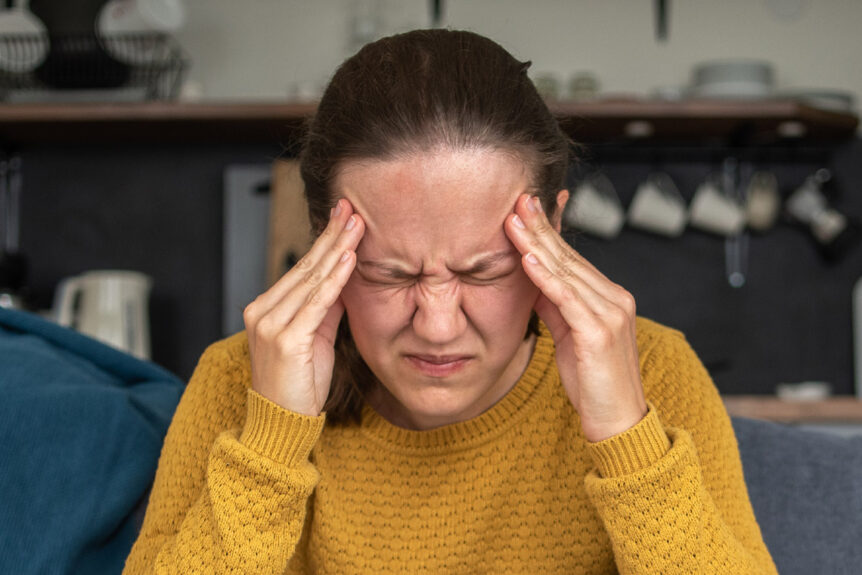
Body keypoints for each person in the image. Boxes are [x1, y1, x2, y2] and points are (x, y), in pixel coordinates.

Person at [124, 29, 777, 574]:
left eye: (484, 271)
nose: (437, 325)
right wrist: (269, 444)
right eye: (388, 273)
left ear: (551, 233)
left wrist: (626, 438)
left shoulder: (655, 371)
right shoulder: (239, 380)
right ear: (326, 244)